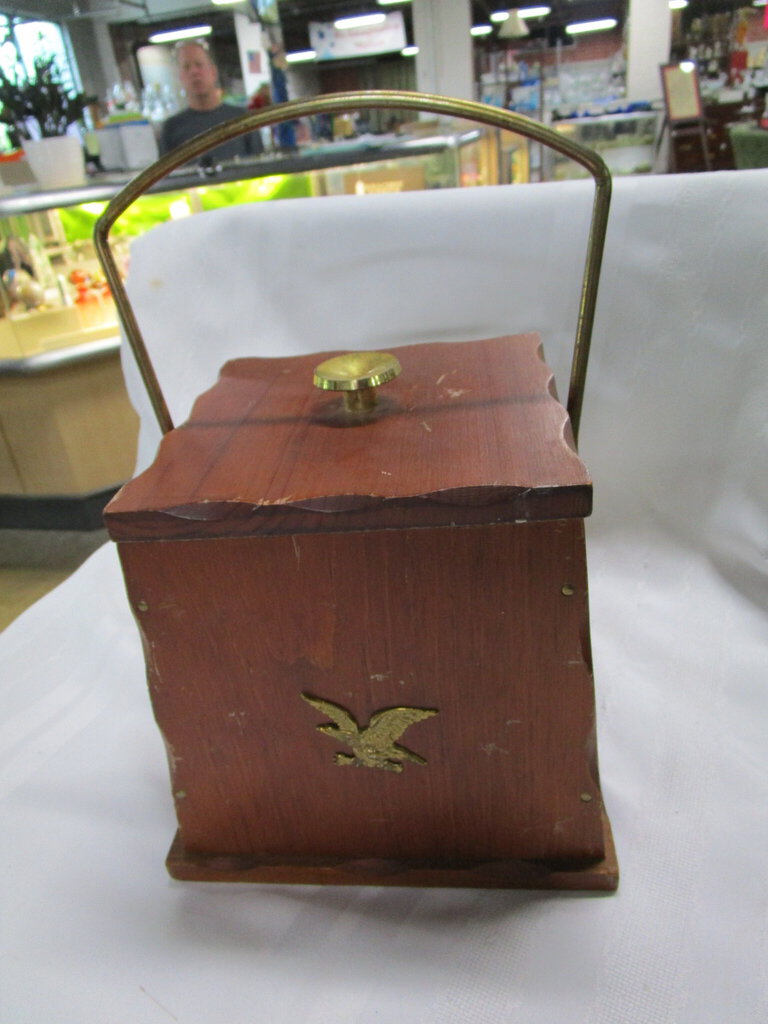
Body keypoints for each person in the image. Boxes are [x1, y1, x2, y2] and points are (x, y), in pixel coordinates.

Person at [159, 40, 262, 162]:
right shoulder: (171, 128)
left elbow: (260, 165)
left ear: (213, 72)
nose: (194, 72)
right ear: (181, 77)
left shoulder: (241, 119)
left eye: (199, 64)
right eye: (187, 67)